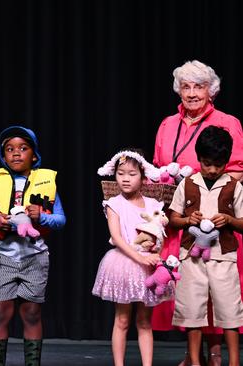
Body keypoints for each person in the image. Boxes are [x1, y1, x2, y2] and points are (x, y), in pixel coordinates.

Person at [152, 60, 243, 366]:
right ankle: (193, 355)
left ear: (211, 91)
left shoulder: (227, 121)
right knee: (189, 290)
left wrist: (201, 181)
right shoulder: (167, 124)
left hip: (215, 219)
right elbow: (155, 167)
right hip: (178, 216)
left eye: (199, 86)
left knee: (218, 289)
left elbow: (239, 170)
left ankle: (216, 352)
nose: (191, 93)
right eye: (186, 87)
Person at [0, 126, 66, 366]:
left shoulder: (45, 182)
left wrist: (40, 216)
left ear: (34, 155)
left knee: (31, 313)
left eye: (23, 148)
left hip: (35, 256)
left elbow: (60, 220)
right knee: (0, 312)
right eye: (10, 149)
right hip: (2, 257)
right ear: (3, 156)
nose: (16, 153)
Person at [168, 126, 243, 366]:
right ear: (199, 158)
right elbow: (173, 218)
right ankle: (194, 360)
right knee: (192, 310)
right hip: (192, 256)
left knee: (229, 309)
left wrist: (230, 220)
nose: (212, 170)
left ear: (226, 161)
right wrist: (188, 220)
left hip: (224, 256)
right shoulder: (187, 183)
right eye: (207, 163)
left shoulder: (234, 186)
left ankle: (233, 361)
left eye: (218, 165)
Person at [93, 150, 171, 366]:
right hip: (125, 262)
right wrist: (139, 257)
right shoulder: (113, 203)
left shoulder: (154, 205)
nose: (125, 178)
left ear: (143, 176)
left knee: (145, 321)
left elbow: (159, 234)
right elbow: (117, 238)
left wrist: (156, 254)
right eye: (120, 173)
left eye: (131, 174)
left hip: (148, 265)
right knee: (123, 319)